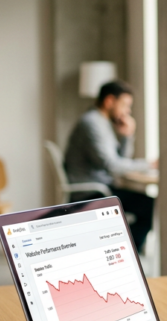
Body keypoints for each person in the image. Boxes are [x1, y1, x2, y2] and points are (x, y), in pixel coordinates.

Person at [64, 80, 156, 252]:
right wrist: (149, 164)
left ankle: (126, 251)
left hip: (101, 188)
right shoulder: (92, 123)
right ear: (109, 101)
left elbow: (121, 160)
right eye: (125, 105)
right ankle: (128, 252)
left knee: (148, 204)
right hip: (91, 193)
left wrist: (128, 136)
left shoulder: (102, 123)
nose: (127, 111)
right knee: (150, 206)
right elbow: (112, 166)